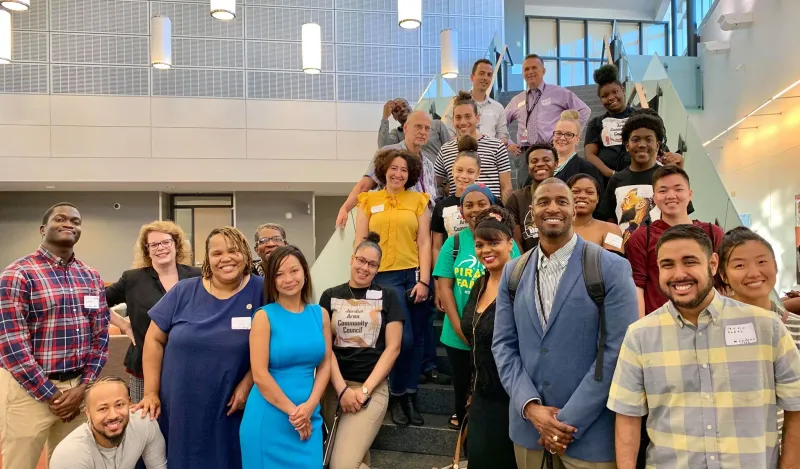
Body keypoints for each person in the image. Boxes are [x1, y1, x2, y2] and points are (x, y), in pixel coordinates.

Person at [608, 225, 800, 469]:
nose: (678, 274)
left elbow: (796, 406)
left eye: (689, 262)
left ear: (712, 264)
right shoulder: (639, 336)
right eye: (667, 265)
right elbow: (627, 417)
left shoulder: (767, 327)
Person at [493, 178, 638, 469]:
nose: (552, 208)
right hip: (528, 430)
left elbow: (616, 352)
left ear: (574, 210)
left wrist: (564, 423)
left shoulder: (611, 268)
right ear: (531, 212)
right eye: (543, 201)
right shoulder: (513, 272)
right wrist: (530, 407)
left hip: (588, 437)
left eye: (562, 201)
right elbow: (503, 346)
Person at [136, 226, 262, 469]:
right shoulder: (184, 291)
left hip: (230, 408)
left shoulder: (261, 290)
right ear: (207, 258)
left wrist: (248, 383)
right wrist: (151, 392)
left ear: (245, 253)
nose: (226, 258)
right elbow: (153, 340)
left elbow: (275, 346)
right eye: (217, 253)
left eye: (233, 250)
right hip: (179, 406)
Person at [0, 202, 110, 469]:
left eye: (76, 221)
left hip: (77, 389)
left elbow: (101, 335)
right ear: (42, 229)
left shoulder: (91, 276)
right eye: (61, 219)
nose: (69, 224)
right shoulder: (18, 274)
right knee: (19, 464)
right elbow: (11, 345)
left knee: (72, 463)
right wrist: (51, 395)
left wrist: (83, 387)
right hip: (28, 390)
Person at [354, 148, 431, 426]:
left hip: (413, 275)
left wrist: (424, 279)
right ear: (384, 170)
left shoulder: (419, 200)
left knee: (418, 340)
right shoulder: (368, 200)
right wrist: (360, 277)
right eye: (394, 168)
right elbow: (361, 242)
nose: (398, 174)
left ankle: (410, 395)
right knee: (402, 340)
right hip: (383, 278)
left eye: (404, 170)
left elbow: (424, 242)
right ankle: (396, 395)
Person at [434, 185, 521, 430]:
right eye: (468, 205)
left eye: (481, 203)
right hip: (457, 332)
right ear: (461, 211)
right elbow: (445, 288)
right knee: (462, 384)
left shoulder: (507, 243)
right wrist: (460, 328)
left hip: (494, 332)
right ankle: (463, 430)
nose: (475, 209)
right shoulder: (453, 243)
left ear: (491, 207)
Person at [240, 245, 332, 468]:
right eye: (279, 274)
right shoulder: (264, 316)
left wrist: (309, 407)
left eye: (294, 271)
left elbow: (326, 364)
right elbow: (260, 375)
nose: (288, 279)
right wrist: (296, 414)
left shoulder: (320, 314)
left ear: (304, 272)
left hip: (309, 415)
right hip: (269, 418)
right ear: (271, 280)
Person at [319, 233, 403, 469]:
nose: (365, 268)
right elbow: (326, 349)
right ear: (352, 259)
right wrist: (342, 389)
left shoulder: (389, 297)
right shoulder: (330, 295)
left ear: (378, 268)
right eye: (361, 260)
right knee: (354, 457)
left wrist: (364, 391)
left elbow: (393, 348)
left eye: (372, 264)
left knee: (342, 464)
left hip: (371, 389)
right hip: (334, 388)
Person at [105, 220, 201, 403]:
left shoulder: (198, 276)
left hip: (190, 364)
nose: (160, 248)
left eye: (166, 242)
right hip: (143, 367)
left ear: (176, 245)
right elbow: (95, 303)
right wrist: (124, 326)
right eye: (154, 244)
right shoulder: (132, 279)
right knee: (146, 421)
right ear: (147, 250)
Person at [460, 208, 519, 469]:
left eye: (494, 243)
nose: (486, 250)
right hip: (482, 394)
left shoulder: (522, 285)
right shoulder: (479, 284)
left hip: (513, 397)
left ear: (510, 244)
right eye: (480, 244)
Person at [626, 165, 723, 317]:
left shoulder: (713, 233)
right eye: (663, 191)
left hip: (710, 320)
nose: (671, 196)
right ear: (654, 197)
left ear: (690, 194)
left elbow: (723, 281)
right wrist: (642, 329)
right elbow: (638, 286)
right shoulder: (641, 237)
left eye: (678, 189)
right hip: (662, 324)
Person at [595, 110, 687, 244]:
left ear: (657, 145)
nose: (642, 144)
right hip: (626, 253)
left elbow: (682, 215)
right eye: (635, 139)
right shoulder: (617, 180)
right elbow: (608, 220)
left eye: (649, 139)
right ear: (627, 146)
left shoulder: (670, 177)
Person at [336, 110, 439, 228]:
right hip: (397, 227)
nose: (423, 132)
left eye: (427, 128)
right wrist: (344, 208)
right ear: (405, 128)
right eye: (418, 127)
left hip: (425, 230)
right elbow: (364, 185)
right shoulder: (388, 153)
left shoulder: (429, 165)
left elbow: (433, 199)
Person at [584, 65, 684, 186]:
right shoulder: (596, 123)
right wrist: (612, 174)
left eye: (615, 92)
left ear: (622, 89)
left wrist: (676, 157)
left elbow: (658, 145)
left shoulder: (643, 115)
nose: (611, 98)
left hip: (646, 178)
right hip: (610, 182)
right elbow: (589, 154)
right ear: (600, 99)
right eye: (604, 96)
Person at [50, 377, 167, 469]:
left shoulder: (144, 424)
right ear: (88, 413)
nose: (113, 415)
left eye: (119, 405)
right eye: (103, 409)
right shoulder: (70, 454)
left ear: (130, 404)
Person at [718, 227, 800, 346]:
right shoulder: (709, 327)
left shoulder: (796, 327)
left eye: (761, 262)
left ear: (775, 266)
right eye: (740, 265)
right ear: (723, 275)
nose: (754, 273)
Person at [505, 54, 590, 157]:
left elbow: (584, 110)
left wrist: (569, 135)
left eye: (534, 67)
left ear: (543, 71)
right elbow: (500, 123)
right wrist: (509, 143)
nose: (530, 72)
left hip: (552, 150)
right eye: (526, 69)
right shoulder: (516, 100)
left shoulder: (558, 92)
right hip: (525, 154)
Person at [435, 90, 512, 203]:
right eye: (458, 117)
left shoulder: (497, 146)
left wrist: (505, 215)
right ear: (453, 121)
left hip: (490, 213)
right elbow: (433, 183)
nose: (463, 122)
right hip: (457, 215)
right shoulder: (445, 150)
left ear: (477, 118)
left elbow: (506, 187)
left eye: (468, 116)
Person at [505, 143, 557, 252]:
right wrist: (526, 266)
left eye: (546, 160)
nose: (540, 164)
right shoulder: (516, 198)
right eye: (534, 161)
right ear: (528, 167)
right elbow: (516, 240)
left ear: (556, 164)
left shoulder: (567, 195)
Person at [445, 59, 510, 143]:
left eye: (489, 75)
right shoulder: (456, 104)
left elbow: (503, 137)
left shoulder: (498, 108)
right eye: (481, 73)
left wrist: (489, 145)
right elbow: (447, 134)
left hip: (489, 153)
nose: (485, 78)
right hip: (462, 152)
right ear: (472, 77)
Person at [379, 97, 452, 164]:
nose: (402, 109)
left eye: (404, 105)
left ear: (410, 108)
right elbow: (384, 148)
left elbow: (449, 151)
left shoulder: (437, 125)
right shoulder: (397, 133)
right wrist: (385, 117)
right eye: (397, 109)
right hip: (413, 174)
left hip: (438, 174)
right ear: (394, 117)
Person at [566, 174, 624, 254]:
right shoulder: (555, 228)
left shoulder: (611, 229)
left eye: (589, 192)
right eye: (576, 191)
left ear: (597, 198)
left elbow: (615, 263)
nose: (582, 196)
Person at [550, 110, 604, 186]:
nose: (562, 138)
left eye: (568, 134)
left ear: (577, 139)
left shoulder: (587, 169)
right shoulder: (543, 164)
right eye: (558, 133)